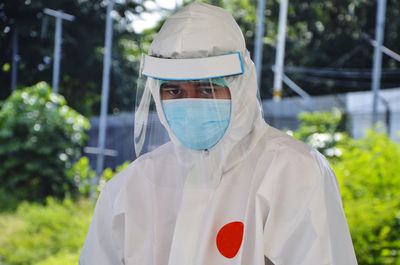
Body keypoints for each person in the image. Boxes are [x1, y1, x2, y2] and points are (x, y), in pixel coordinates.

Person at [79, 2, 358, 265]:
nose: (190, 102)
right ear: (156, 93)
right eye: (174, 90)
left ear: (240, 86)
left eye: (207, 88)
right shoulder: (130, 188)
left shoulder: (294, 171)